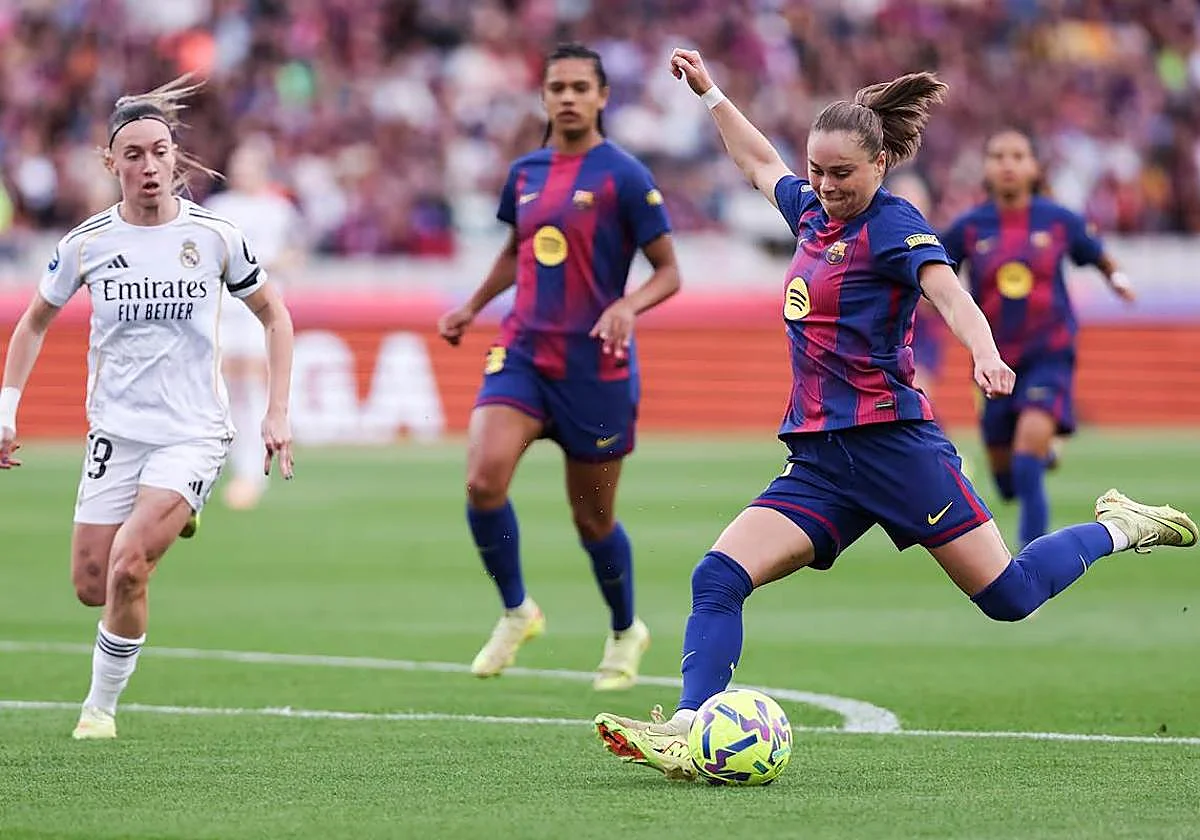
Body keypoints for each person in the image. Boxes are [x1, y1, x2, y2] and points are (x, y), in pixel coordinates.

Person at [591, 49, 1196, 779]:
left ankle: (1118, 526)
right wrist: (712, 91)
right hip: (820, 462)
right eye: (817, 170)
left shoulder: (895, 224)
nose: (824, 185)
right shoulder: (811, 212)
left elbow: (949, 294)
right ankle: (687, 728)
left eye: (841, 173)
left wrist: (984, 351)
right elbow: (758, 163)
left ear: (880, 164)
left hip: (896, 450)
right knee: (717, 576)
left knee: (1010, 598)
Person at [0, 77, 296, 740]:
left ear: (176, 157)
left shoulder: (217, 237)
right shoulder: (88, 243)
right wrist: (6, 409)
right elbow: (33, 323)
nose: (149, 165)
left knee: (131, 561)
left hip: (192, 430)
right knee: (92, 582)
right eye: (132, 154)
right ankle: (172, 516)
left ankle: (98, 710)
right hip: (116, 431)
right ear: (112, 164)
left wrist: (276, 411)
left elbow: (275, 316)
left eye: (159, 151)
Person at [437, 43, 681, 691]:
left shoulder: (623, 176)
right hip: (522, 353)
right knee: (483, 481)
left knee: (591, 519)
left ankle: (626, 629)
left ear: (602, 97)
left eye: (580, 87)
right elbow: (515, 250)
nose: (568, 97)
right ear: (543, 97)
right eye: (557, 87)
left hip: (594, 370)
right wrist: (470, 306)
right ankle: (518, 610)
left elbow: (669, 272)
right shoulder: (525, 173)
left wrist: (629, 306)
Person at [941, 128, 1136, 549]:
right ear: (987, 169)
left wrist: (1116, 278)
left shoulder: (1058, 219)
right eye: (998, 156)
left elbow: (1095, 252)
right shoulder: (969, 228)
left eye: (1017, 155)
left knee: (1027, 464)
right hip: (994, 361)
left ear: (1033, 167)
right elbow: (934, 272)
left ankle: (1031, 566)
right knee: (1007, 481)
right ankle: (1045, 451)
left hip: (1049, 353)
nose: (1007, 164)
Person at [205, 135, 305, 511]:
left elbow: (296, 255)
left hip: (260, 310)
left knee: (250, 382)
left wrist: (263, 266)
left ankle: (251, 470)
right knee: (225, 387)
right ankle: (232, 465)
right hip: (223, 309)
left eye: (248, 164)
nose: (241, 171)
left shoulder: (279, 209)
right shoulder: (218, 207)